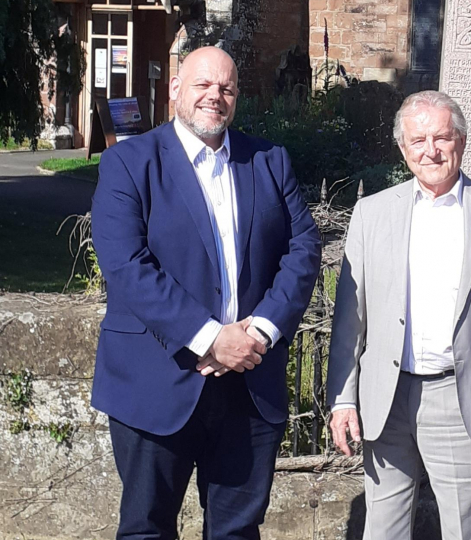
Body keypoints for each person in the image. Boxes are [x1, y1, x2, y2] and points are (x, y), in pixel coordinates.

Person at [91, 46, 321, 540]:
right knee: (146, 529)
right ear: (176, 89)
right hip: (157, 381)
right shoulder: (129, 163)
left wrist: (256, 333)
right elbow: (126, 264)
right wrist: (211, 338)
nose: (215, 96)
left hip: (248, 385)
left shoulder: (269, 160)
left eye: (227, 88)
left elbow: (303, 248)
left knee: (237, 531)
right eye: (202, 85)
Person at [326, 90, 471, 539]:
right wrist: (344, 399)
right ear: (403, 148)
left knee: (467, 531)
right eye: (418, 140)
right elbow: (351, 319)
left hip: (462, 397)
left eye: (442, 137)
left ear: (461, 142)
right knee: (383, 530)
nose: (431, 150)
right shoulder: (371, 213)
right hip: (386, 396)